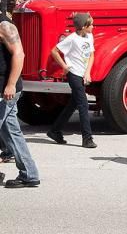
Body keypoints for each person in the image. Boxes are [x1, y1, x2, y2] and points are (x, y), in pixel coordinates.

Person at [0, 14, 40, 188]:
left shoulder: (4, 25)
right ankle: (29, 174)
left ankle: (29, 174)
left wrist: (10, 85)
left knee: (11, 133)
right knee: (11, 133)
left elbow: (19, 54)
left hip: (5, 90)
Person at [47, 12, 97, 148]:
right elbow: (54, 51)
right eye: (91, 24)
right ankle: (87, 138)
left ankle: (54, 130)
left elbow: (91, 55)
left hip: (82, 75)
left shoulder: (89, 36)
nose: (93, 26)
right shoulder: (72, 39)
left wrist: (87, 73)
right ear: (82, 26)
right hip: (74, 74)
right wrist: (64, 66)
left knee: (73, 104)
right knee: (83, 105)